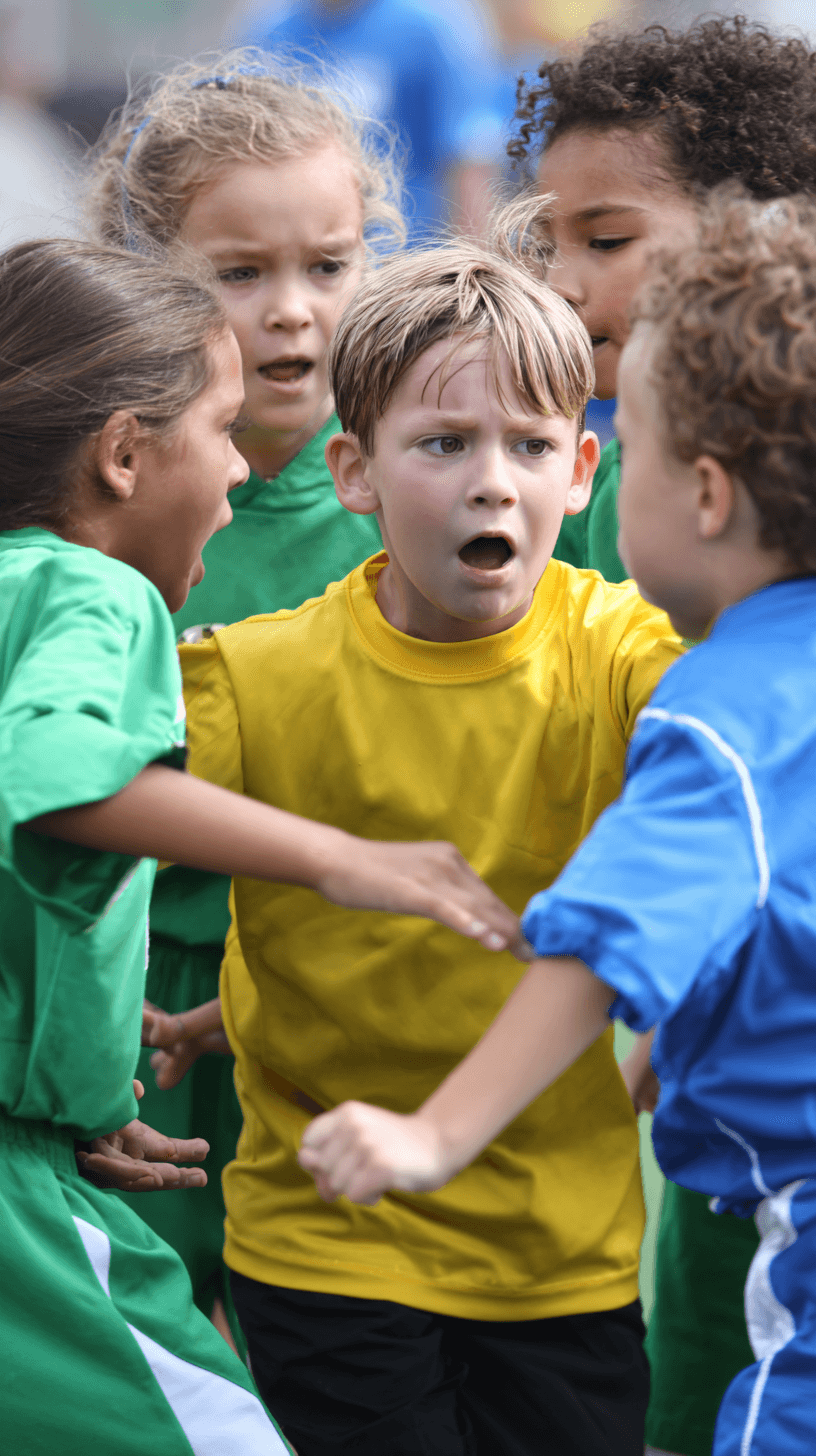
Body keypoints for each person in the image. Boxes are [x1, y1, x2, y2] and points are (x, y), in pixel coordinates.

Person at [299, 187, 816, 1456]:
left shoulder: (722, 713)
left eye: (620, 441)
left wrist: (435, 1133)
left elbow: (607, 940)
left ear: (702, 494)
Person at [177, 195, 683, 1456]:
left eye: (529, 444)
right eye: (444, 442)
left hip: (561, 1251)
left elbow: (750, 757)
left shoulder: (623, 648)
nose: (491, 480)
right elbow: (64, 795)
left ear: (583, 469)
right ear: (354, 471)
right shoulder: (254, 673)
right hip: (325, 1239)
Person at [0, 235, 522, 1456]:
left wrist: (59, 1096)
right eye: (223, 431)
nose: (240, 469)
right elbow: (50, 779)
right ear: (123, 455)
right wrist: (349, 858)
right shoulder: (94, 592)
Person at [508, 17, 816, 1453]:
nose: (565, 282)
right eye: (553, 241)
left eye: (609, 238)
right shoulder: (614, 470)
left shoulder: (737, 543)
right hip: (720, 1117)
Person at [87, 49, 405, 1336]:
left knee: (336, 1356)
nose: (292, 312)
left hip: (339, 990)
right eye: (240, 273)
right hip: (134, 995)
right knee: (147, 1339)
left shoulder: (419, 490)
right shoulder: (99, 494)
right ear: (144, 270)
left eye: (328, 266)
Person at [237, 0, 504, 238]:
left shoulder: (432, 23)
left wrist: (471, 260)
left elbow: (470, 159)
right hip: (301, 249)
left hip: (402, 253)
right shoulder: (272, 28)